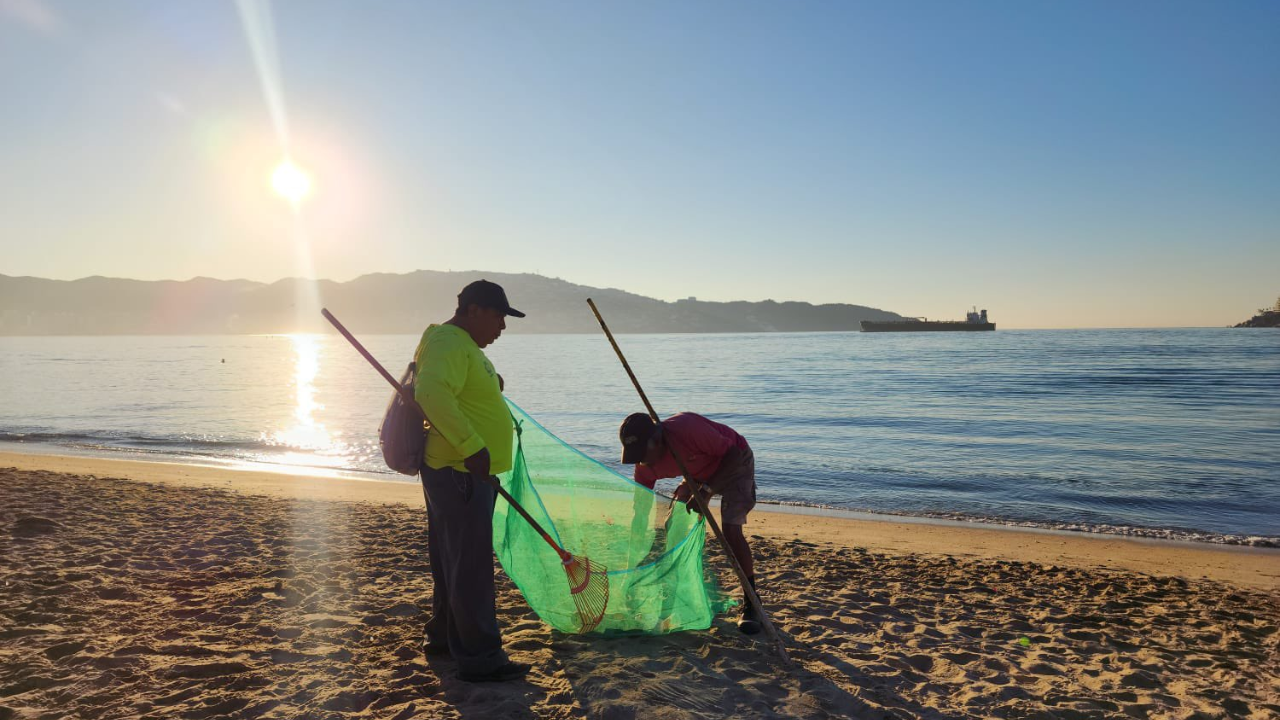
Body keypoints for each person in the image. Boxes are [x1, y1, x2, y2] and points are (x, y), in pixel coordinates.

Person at [414, 279, 529, 682]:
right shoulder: (449, 340)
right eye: (499, 316)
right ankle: (481, 658)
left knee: (453, 560)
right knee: (471, 565)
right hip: (460, 472)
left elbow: (455, 391)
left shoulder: (459, 345)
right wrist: (470, 445)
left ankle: (444, 638)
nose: (502, 326)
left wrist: (489, 386)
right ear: (475, 310)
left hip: (459, 471)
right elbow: (430, 390)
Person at [618, 412, 762, 635]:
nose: (640, 462)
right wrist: (636, 558)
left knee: (731, 531)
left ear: (656, 441)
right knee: (673, 525)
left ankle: (752, 603)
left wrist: (706, 491)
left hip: (735, 463)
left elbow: (733, 454)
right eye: (634, 456)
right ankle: (669, 601)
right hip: (696, 471)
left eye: (641, 454)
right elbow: (640, 512)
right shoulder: (644, 467)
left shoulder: (687, 428)